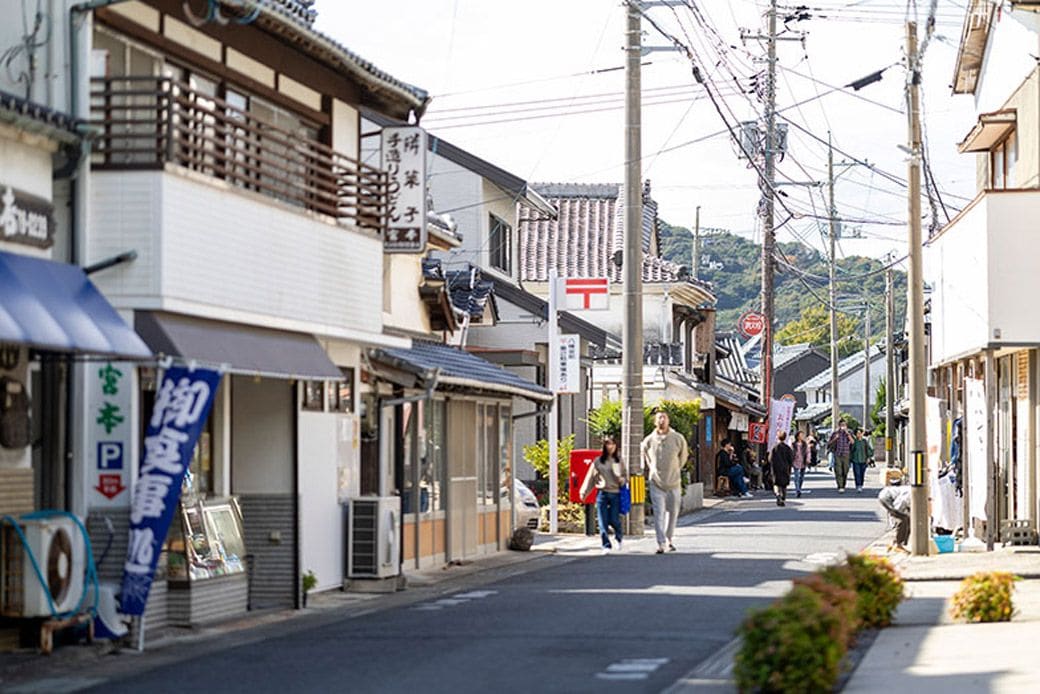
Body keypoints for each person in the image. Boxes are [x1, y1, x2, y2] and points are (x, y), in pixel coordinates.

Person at [641, 411, 688, 554]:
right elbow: (645, 456)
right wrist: (652, 470)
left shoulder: (677, 438)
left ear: (668, 420)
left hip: (674, 481)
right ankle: (660, 542)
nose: (662, 420)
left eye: (664, 417)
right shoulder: (649, 440)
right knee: (658, 513)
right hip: (656, 481)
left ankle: (669, 538)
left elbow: (683, 456)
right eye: (659, 418)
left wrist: (676, 468)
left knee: (673, 512)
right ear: (655, 422)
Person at [580, 436, 628, 555]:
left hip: (615, 493)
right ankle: (605, 545)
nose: (610, 446)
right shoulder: (598, 461)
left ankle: (618, 537)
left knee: (614, 519)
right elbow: (590, 477)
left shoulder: (619, 460)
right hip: (602, 493)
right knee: (602, 521)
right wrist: (584, 492)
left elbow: (626, 477)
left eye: (612, 444)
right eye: (607, 444)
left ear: (616, 446)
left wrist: (623, 480)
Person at [878, 482, 911, 551]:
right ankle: (897, 544)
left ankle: (897, 542)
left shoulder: (912, 494)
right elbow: (898, 505)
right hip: (886, 497)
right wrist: (896, 515)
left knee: (907, 519)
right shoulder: (909, 494)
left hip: (892, 497)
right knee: (904, 519)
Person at [828, 420, 854, 493]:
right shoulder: (835, 433)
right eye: (842, 425)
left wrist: (848, 434)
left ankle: (843, 484)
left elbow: (852, 442)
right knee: (838, 470)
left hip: (846, 454)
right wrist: (835, 438)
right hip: (837, 454)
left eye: (844, 425)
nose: (843, 426)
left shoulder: (849, 433)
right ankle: (840, 486)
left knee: (845, 470)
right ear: (839, 425)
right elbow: (829, 443)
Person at [769, 431, 794, 506]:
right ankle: (783, 497)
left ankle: (777, 494)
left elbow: (770, 459)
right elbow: (791, 459)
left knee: (776, 483)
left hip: (776, 468)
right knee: (784, 485)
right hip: (785, 468)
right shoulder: (788, 448)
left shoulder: (774, 448)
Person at [850, 428, 873, 493]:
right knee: (857, 473)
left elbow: (868, 450)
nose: (859, 435)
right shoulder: (854, 442)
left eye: (860, 433)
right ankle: (858, 485)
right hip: (855, 460)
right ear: (856, 435)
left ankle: (861, 484)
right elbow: (851, 450)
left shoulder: (864, 441)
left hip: (864, 459)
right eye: (858, 433)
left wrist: (868, 458)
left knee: (862, 473)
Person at [791, 430, 810, 498]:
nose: (802, 437)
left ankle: (799, 488)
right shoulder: (793, 444)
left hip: (803, 461)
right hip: (795, 461)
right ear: (797, 436)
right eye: (800, 435)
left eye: (802, 435)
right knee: (796, 476)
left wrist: (808, 459)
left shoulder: (805, 444)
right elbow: (791, 451)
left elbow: (808, 452)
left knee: (801, 477)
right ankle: (797, 490)